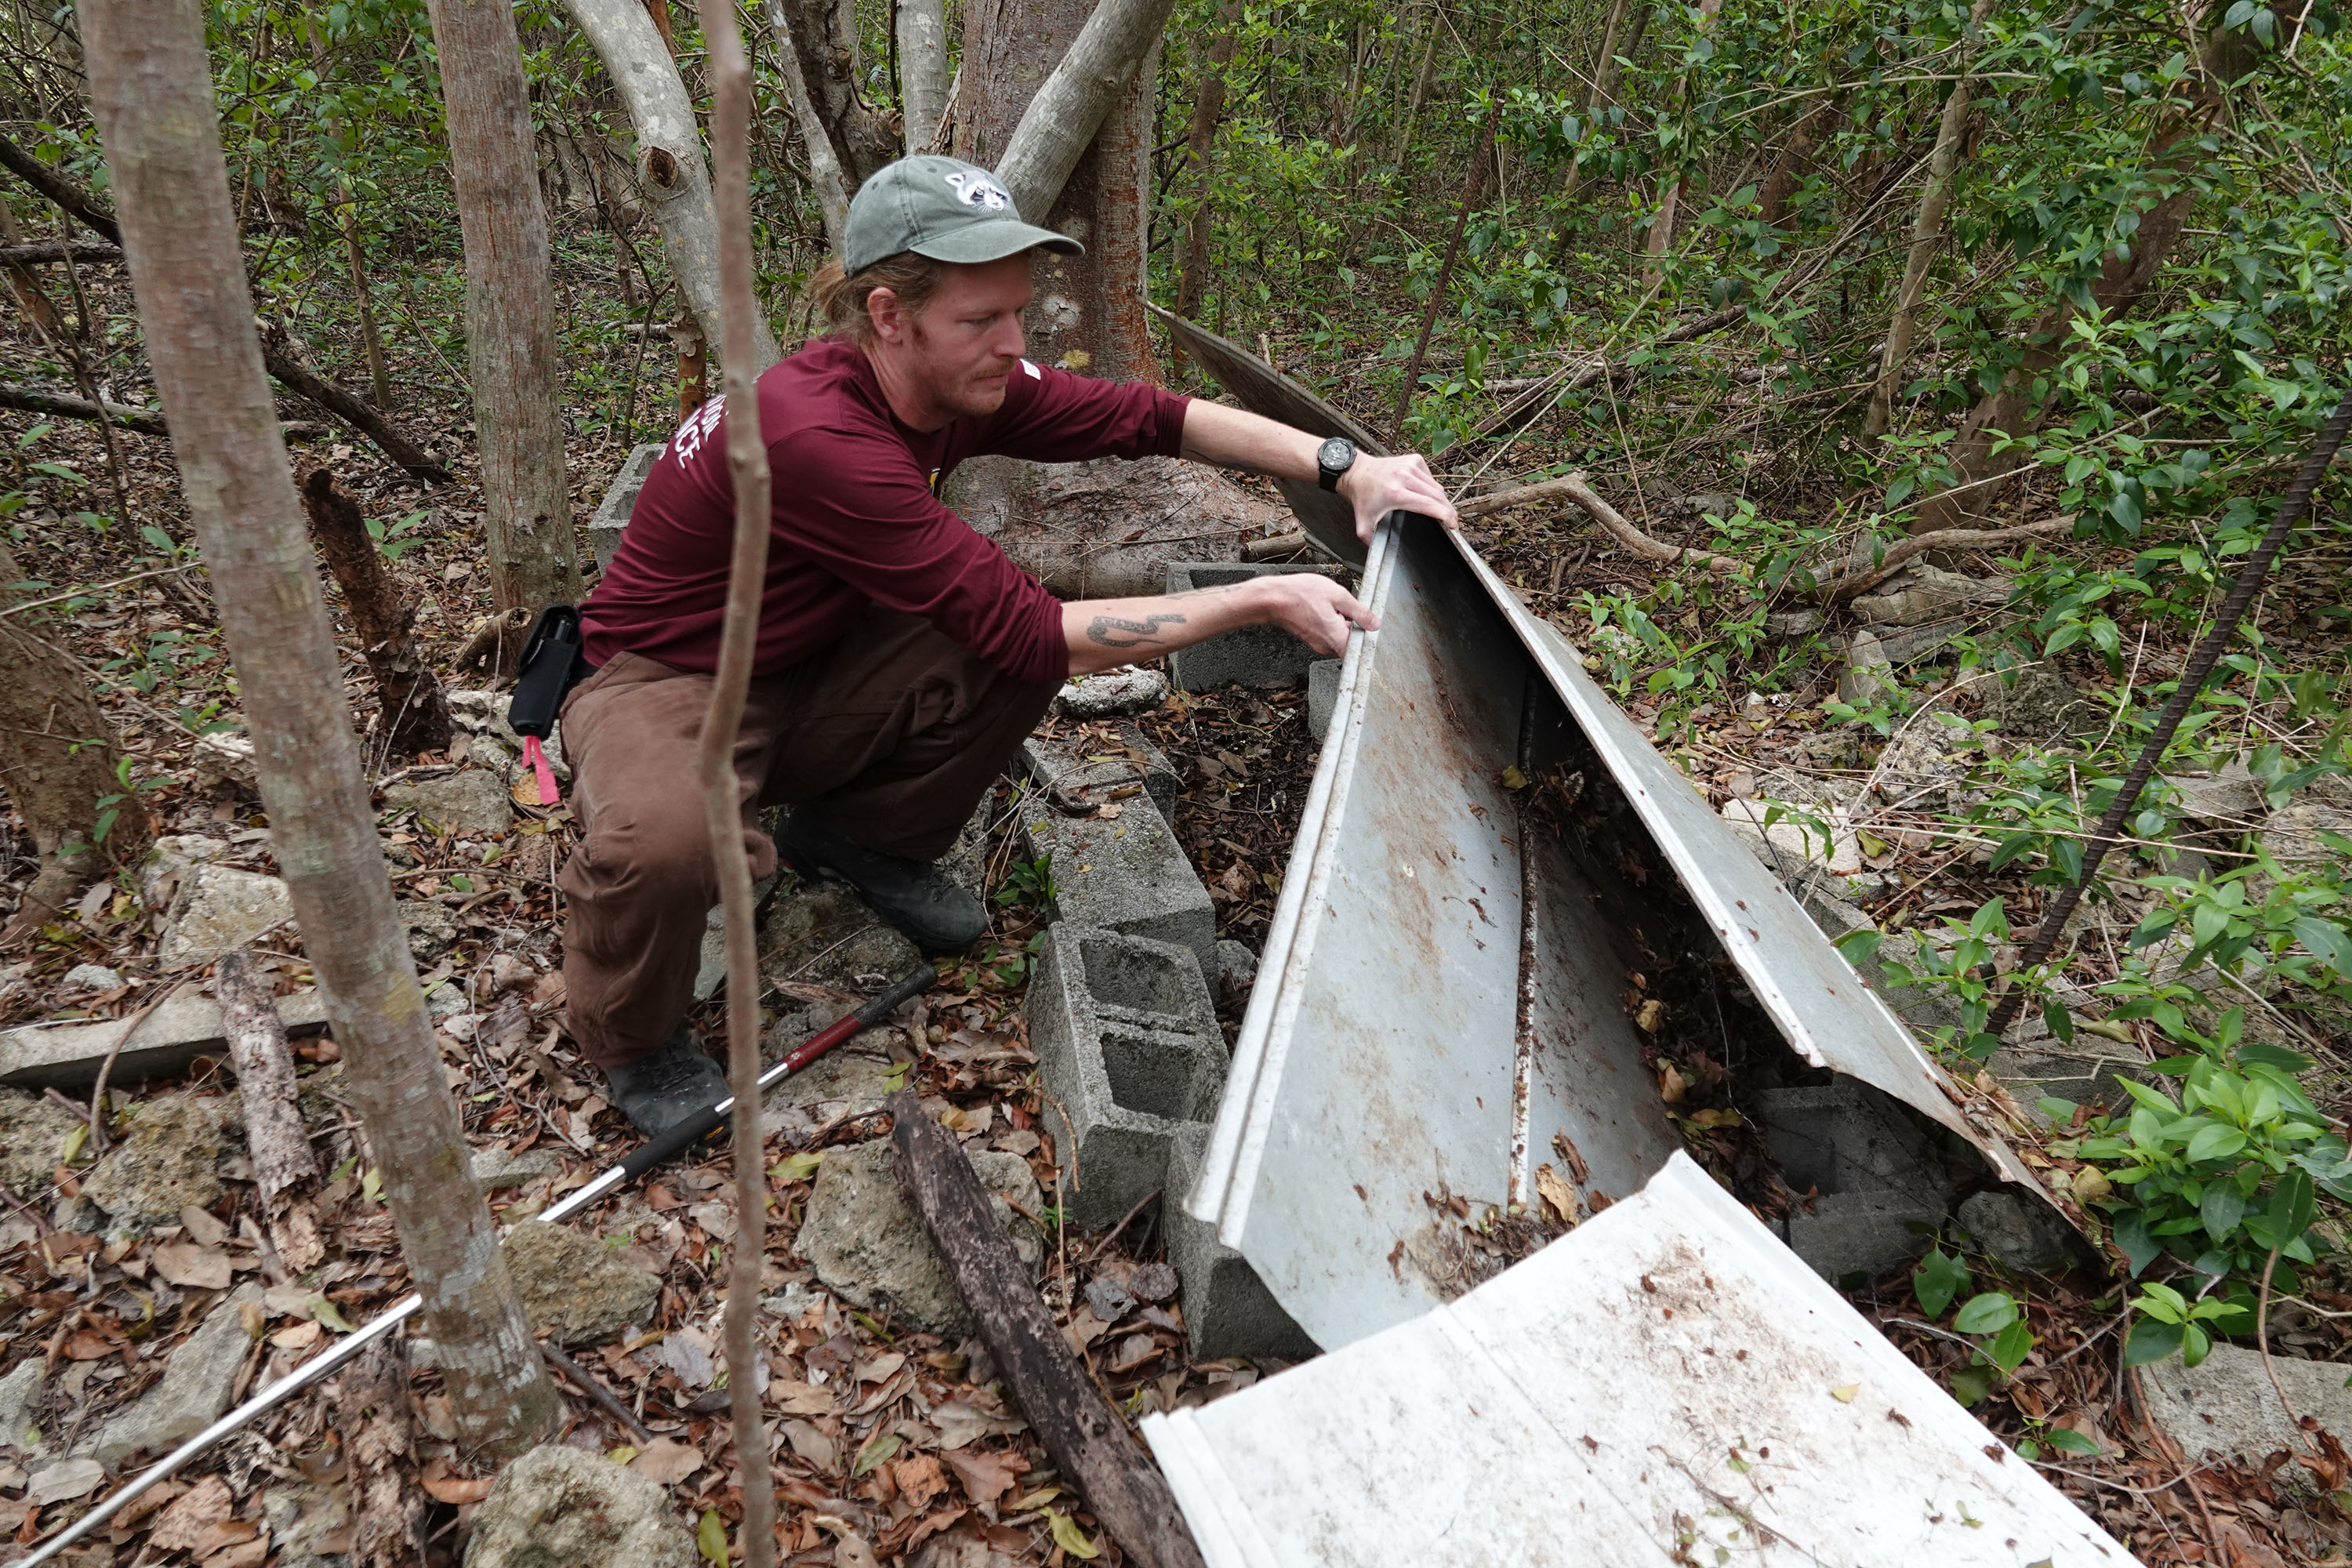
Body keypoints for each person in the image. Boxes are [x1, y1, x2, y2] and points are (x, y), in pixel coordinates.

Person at [561, 154, 1458, 1134]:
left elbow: (1146, 417)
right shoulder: (817, 434)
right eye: (981, 320)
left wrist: (1342, 465)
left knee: (989, 649)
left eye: (1017, 313)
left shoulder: (950, 381)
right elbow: (1040, 636)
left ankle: (860, 838)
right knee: (667, 845)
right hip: (666, 675)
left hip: (812, 649)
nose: (1012, 343)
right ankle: (634, 1042)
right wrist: (1257, 597)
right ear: (888, 315)